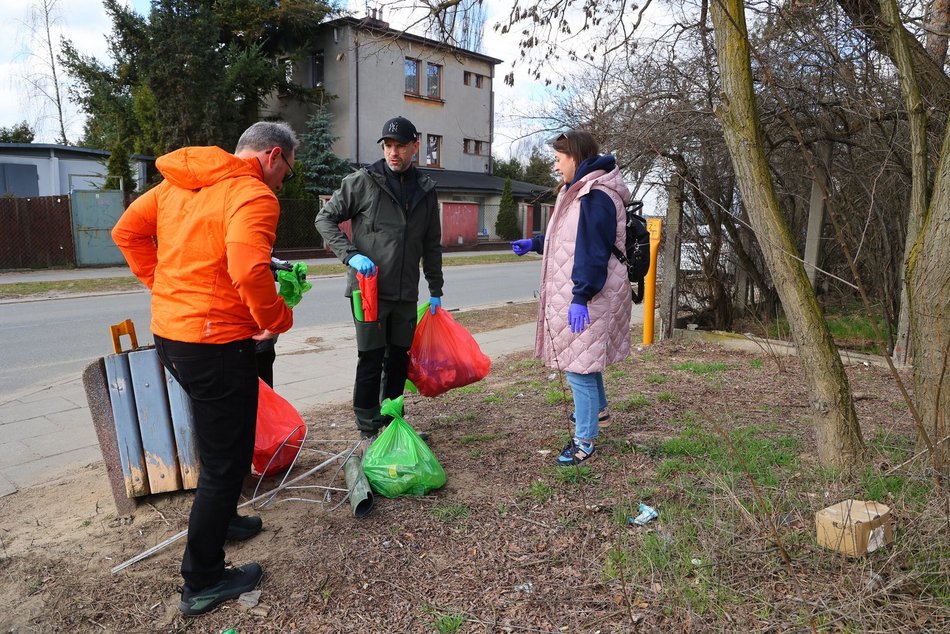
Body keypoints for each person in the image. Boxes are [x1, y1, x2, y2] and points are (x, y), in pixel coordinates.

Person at [111, 121, 298, 615]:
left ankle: (225, 520)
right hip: (216, 342)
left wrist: (162, 285)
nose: (283, 181)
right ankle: (204, 579)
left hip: (173, 334)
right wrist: (275, 317)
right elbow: (248, 269)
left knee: (216, 438)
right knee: (226, 459)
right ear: (272, 155)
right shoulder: (253, 195)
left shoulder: (180, 184)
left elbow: (125, 231)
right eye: (287, 171)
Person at [316, 115, 443, 439]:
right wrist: (351, 255)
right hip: (368, 291)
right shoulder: (363, 182)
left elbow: (430, 244)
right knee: (371, 359)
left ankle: (393, 424)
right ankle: (368, 427)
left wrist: (435, 290)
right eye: (388, 145)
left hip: (404, 293)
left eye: (400, 145)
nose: (393, 152)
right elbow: (325, 218)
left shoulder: (426, 191)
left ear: (415, 146)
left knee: (399, 360)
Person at [511, 130, 631, 466]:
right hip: (586, 292)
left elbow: (592, 251)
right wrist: (535, 243)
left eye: (558, 158)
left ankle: (585, 441)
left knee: (578, 369)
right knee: (584, 360)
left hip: (591, 294)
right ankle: (600, 413)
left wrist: (581, 295)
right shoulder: (577, 192)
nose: (554, 165)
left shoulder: (596, 196)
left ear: (575, 157)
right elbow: (568, 237)